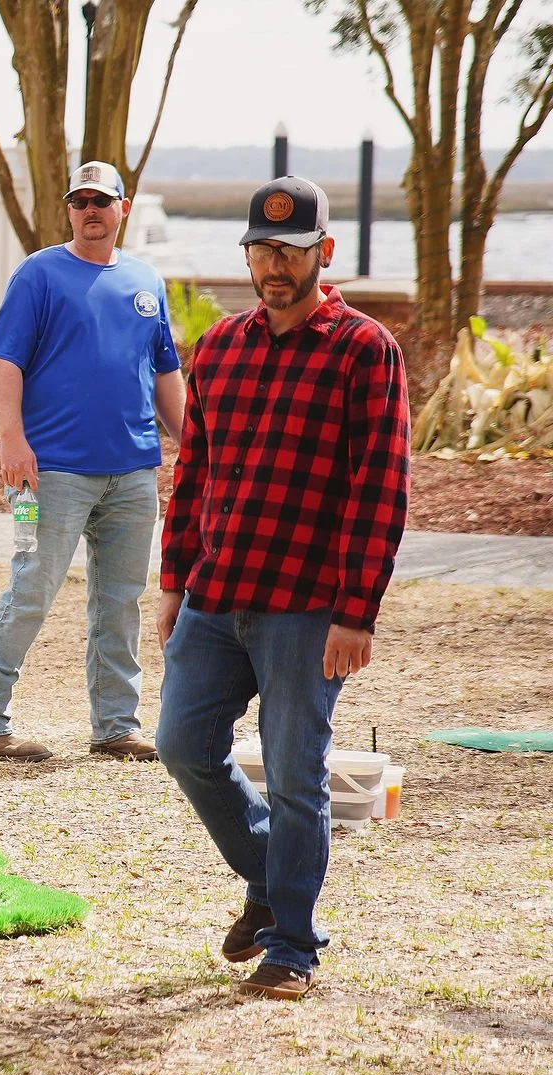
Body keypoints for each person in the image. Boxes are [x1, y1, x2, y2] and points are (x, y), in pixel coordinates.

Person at [155, 176, 409, 1001]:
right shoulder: (221, 347)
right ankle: (270, 883)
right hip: (215, 592)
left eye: (289, 251)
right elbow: (193, 470)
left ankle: (292, 947)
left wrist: (356, 609)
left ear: (322, 254)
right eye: (260, 250)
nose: (272, 265)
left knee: (298, 776)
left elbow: (381, 487)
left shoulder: (365, 350)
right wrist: (172, 579)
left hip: (308, 608)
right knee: (182, 744)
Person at [0, 160, 184, 763]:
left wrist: (193, 445)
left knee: (120, 600)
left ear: (122, 209)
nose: (90, 211)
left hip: (133, 472)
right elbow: (7, 363)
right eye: (79, 201)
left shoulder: (145, 281)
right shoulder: (39, 274)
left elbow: (164, 373)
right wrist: (12, 440)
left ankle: (115, 727)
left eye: (101, 201)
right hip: (47, 472)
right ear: (69, 211)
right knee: (32, 589)